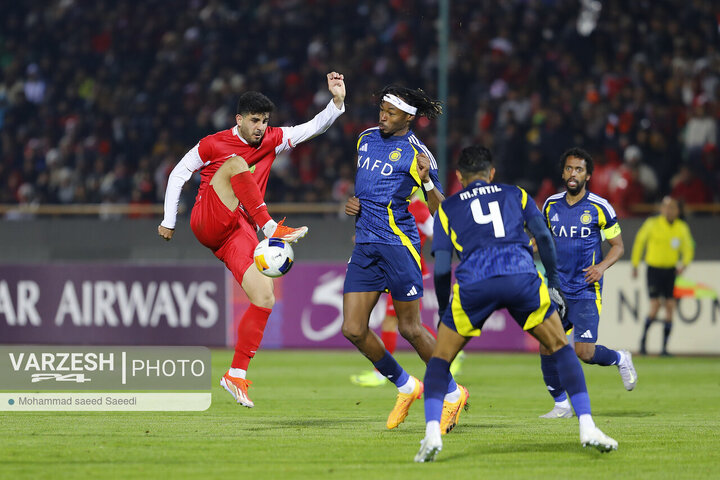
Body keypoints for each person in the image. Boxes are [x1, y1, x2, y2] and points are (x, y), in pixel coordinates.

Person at [415, 145, 617, 463]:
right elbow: (544, 239)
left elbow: (442, 266)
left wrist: (443, 311)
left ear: (458, 177)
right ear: (491, 173)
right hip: (520, 276)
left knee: (441, 360)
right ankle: (588, 427)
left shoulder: (448, 208)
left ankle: (431, 435)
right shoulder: (516, 194)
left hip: (475, 282)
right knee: (562, 347)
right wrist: (552, 283)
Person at [158, 72, 346, 408]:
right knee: (234, 164)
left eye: (265, 121)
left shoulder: (273, 138)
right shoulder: (214, 144)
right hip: (208, 217)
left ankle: (236, 373)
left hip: (237, 230)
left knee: (264, 296)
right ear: (239, 120)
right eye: (255, 120)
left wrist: (336, 102)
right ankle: (272, 230)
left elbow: (311, 128)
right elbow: (179, 174)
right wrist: (169, 220)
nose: (261, 127)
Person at [342, 85, 468, 433]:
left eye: (391, 112)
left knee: (410, 328)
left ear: (408, 118)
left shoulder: (418, 154)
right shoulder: (365, 139)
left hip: (399, 246)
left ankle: (453, 393)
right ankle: (407, 386)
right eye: (381, 108)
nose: (382, 115)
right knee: (353, 328)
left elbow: (442, 211)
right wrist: (355, 206)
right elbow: (368, 188)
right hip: (365, 244)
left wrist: (427, 182)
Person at [537, 148, 637, 419]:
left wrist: (602, 267)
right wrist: (530, 245)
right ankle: (561, 405)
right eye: (569, 169)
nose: (573, 174)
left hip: (585, 290)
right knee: (546, 344)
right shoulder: (550, 205)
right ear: (563, 173)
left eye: (579, 170)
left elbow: (618, 246)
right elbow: (543, 238)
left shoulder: (600, 207)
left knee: (584, 352)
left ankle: (620, 358)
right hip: (557, 289)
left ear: (588, 175)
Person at [349, 194, 465, 387]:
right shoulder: (396, 205)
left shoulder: (420, 209)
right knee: (405, 322)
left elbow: (437, 234)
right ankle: (452, 348)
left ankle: (381, 373)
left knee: (399, 322)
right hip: (393, 267)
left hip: (406, 270)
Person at [632, 196, 695, 356]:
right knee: (655, 306)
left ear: (678, 211)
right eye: (667, 207)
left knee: (670, 307)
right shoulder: (652, 224)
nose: (669, 210)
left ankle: (664, 348)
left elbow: (688, 247)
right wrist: (635, 264)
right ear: (661, 209)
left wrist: (685, 264)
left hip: (670, 271)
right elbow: (640, 242)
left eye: (673, 208)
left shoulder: (681, 227)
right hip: (654, 270)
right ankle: (643, 342)